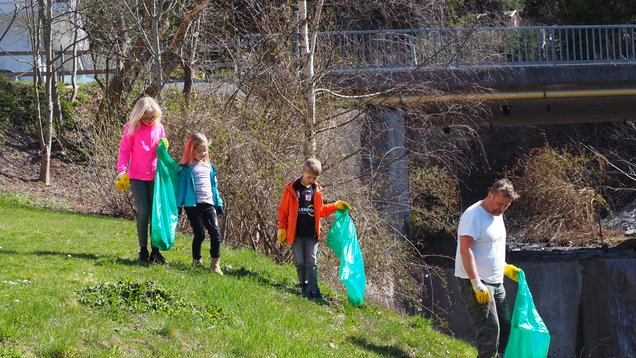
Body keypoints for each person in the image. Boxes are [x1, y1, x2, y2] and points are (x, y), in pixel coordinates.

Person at [454, 179, 522, 358]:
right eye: (500, 203)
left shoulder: (497, 215)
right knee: (490, 331)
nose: (502, 208)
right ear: (489, 195)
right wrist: (476, 283)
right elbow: (465, 249)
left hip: (496, 281)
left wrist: (504, 268)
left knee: (506, 328)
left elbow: (490, 247)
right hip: (475, 282)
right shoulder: (473, 215)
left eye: (506, 206)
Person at [277, 158, 351, 301]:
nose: (311, 180)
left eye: (314, 178)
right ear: (302, 172)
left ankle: (314, 290)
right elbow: (283, 211)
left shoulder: (316, 190)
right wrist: (282, 228)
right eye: (309, 177)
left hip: (311, 233)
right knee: (300, 261)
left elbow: (321, 210)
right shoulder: (292, 189)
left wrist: (336, 205)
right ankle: (304, 286)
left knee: (312, 261)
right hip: (296, 233)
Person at [116, 96, 168, 264]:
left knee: (155, 214)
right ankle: (143, 251)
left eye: (152, 117)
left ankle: (156, 252)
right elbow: (124, 151)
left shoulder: (159, 127)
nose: (149, 120)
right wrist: (121, 170)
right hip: (137, 177)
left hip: (155, 177)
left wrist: (164, 148)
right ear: (139, 115)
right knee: (144, 212)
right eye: (146, 117)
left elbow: (163, 148)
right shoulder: (131, 129)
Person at [177, 132, 225, 275]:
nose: (203, 153)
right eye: (199, 151)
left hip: (208, 204)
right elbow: (181, 189)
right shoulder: (186, 169)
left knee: (215, 233)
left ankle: (215, 264)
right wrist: (178, 206)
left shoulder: (210, 168)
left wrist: (219, 203)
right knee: (200, 234)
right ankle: (196, 261)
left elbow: (214, 188)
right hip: (193, 206)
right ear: (191, 150)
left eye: (205, 150)